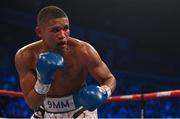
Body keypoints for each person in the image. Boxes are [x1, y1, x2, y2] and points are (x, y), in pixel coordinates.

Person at [15, 5, 116, 118]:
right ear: (39, 32)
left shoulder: (83, 51)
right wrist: (43, 82)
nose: (62, 35)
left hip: (80, 112)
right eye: (55, 30)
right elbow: (33, 103)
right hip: (44, 113)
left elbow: (109, 78)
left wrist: (104, 92)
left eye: (66, 28)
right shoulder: (27, 56)